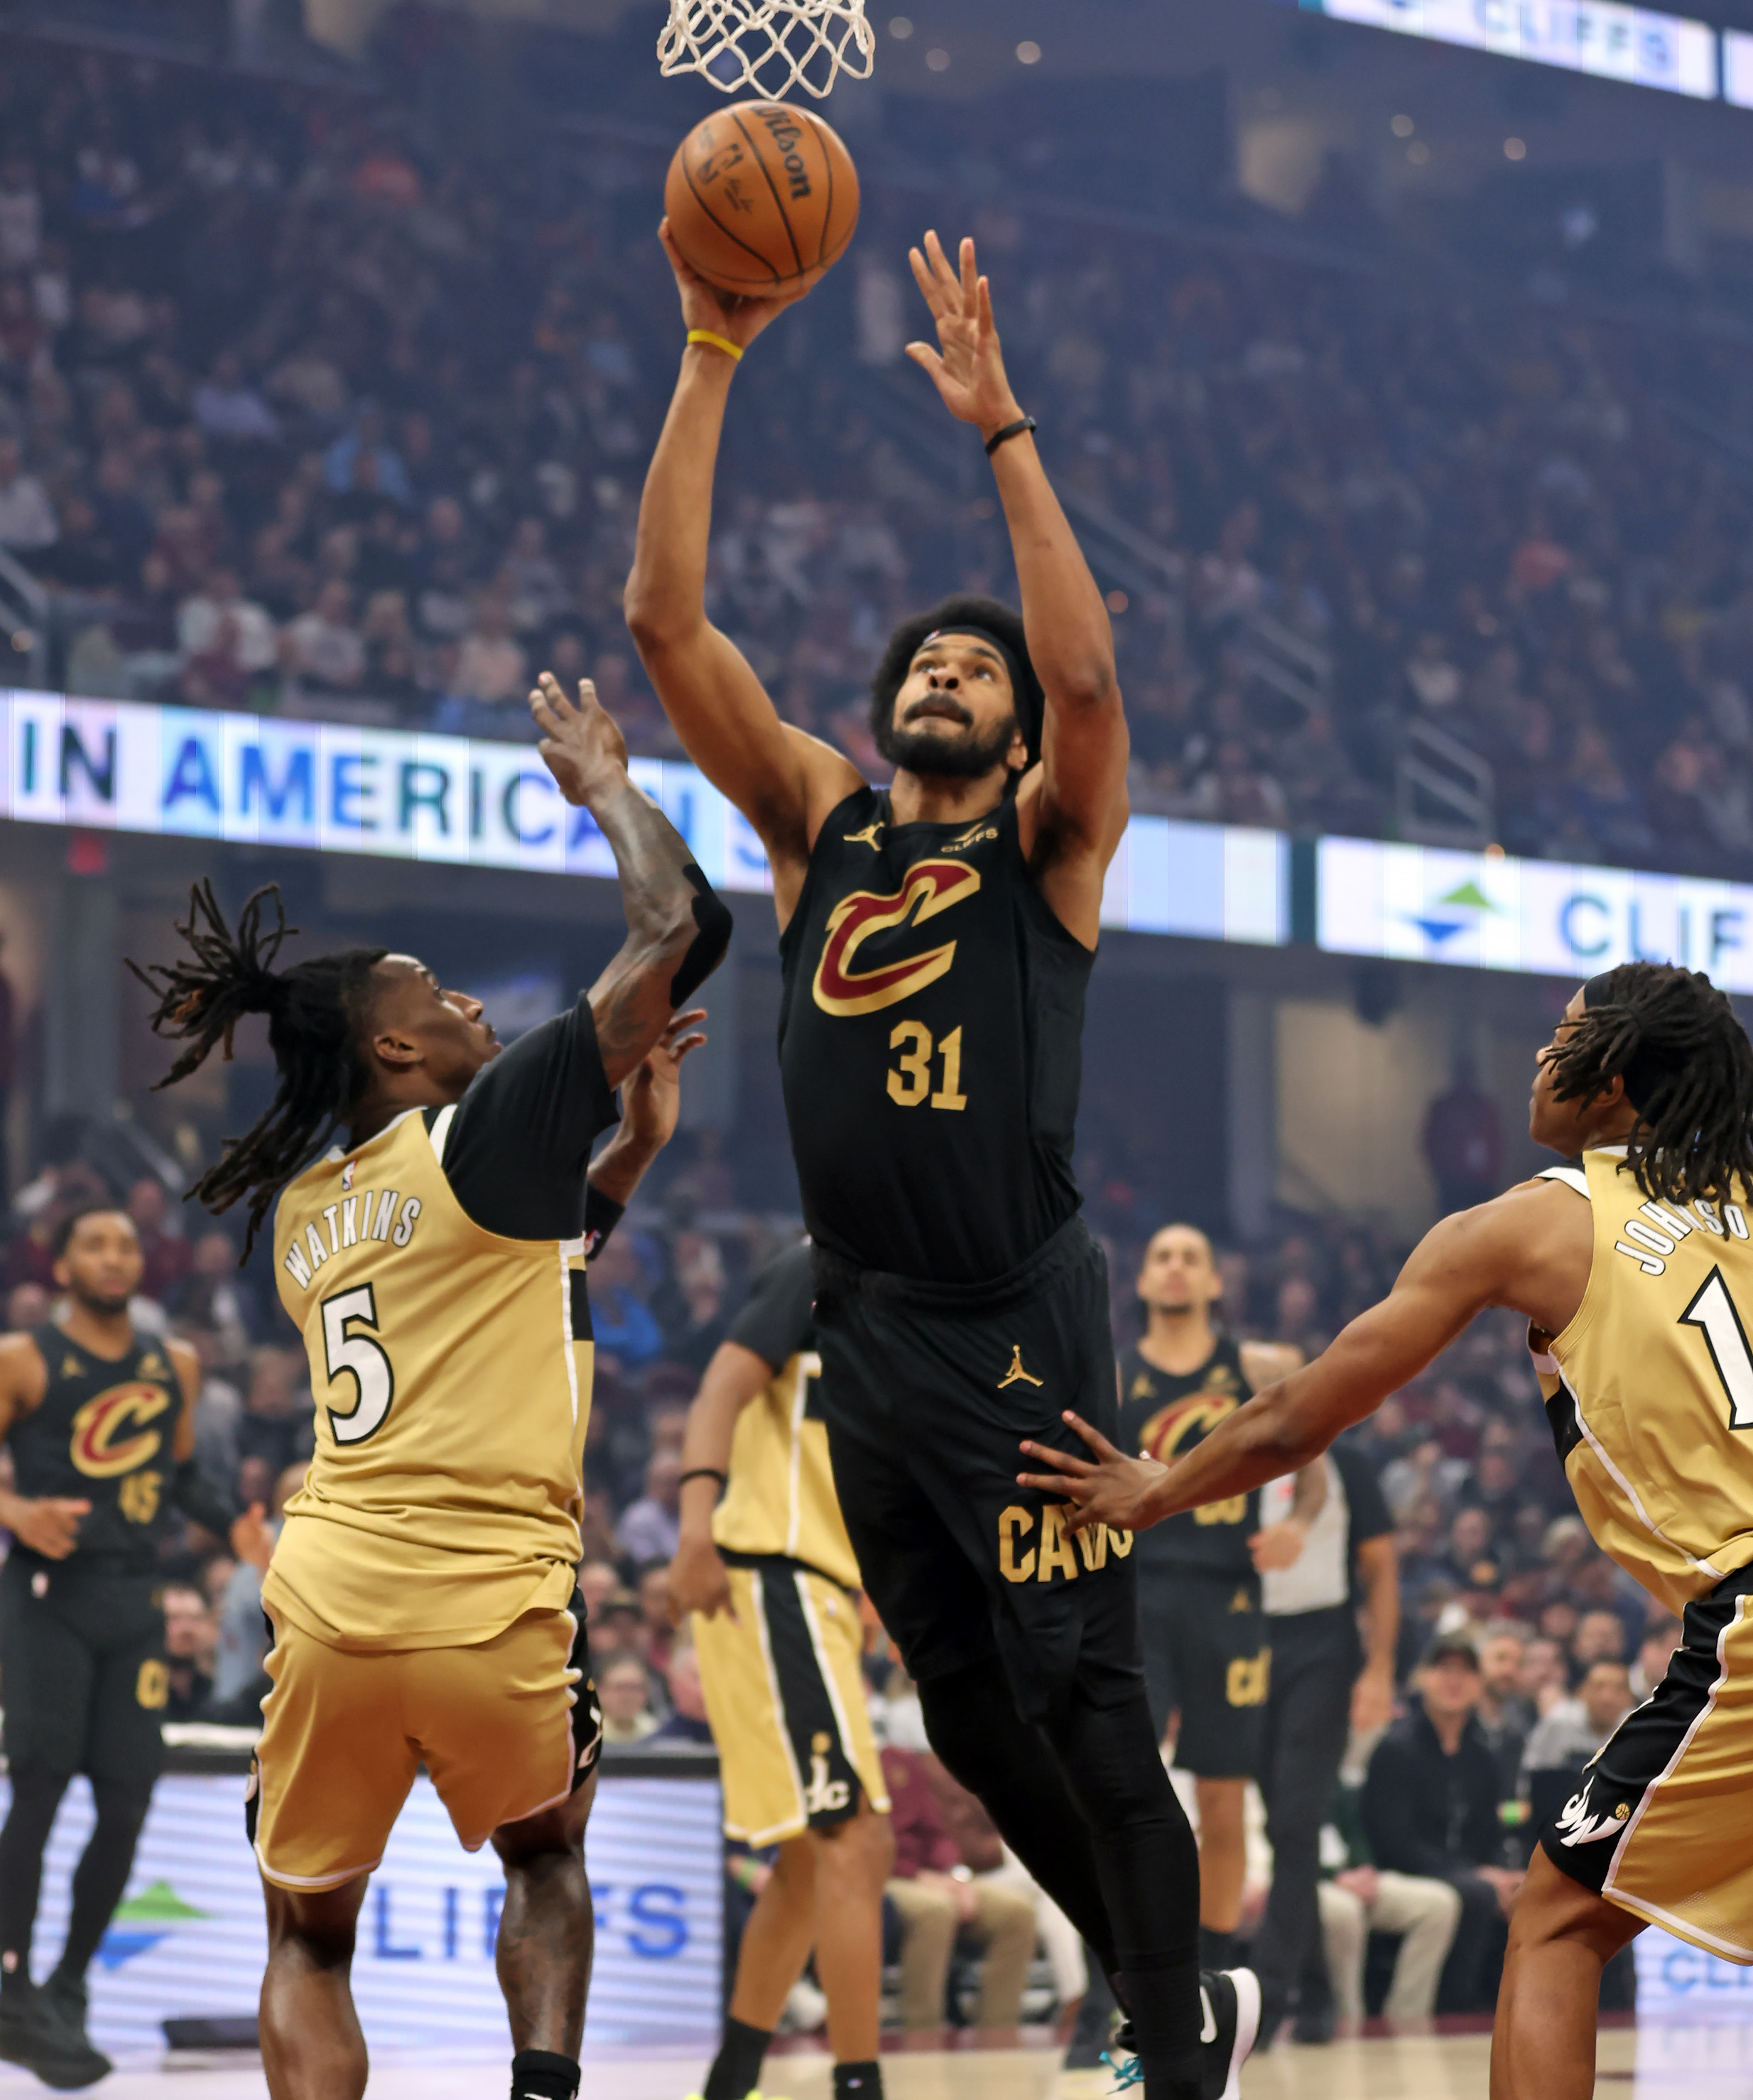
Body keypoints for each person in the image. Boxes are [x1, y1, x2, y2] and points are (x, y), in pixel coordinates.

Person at [628, 220, 1254, 2099]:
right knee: (974, 1725)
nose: (959, 674)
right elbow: (664, 623)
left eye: (983, 671)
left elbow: (1092, 682)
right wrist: (711, 351)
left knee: (1082, 1692)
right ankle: (1168, 1988)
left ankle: (1172, 2043)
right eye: (934, 662)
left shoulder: (1044, 848)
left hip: (1017, 1313)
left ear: (1009, 728)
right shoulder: (817, 821)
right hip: (871, 1330)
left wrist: (1000, 431)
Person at [129, 670, 730, 2100]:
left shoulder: (301, 1214)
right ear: (395, 1048)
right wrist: (606, 784)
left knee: (306, 1932)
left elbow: (512, 1279)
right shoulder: (479, 1127)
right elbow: (680, 928)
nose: (466, 1001)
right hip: (489, 1589)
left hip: (331, 1591)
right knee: (545, 1853)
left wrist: (626, 1158)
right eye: (434, 993)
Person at [1018, 960, 1753, 2097]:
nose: (1538, 1058)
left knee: (1558, 1919)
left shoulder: (1541, 1221)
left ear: (1610, 1079)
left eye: (1562, 1036)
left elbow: (1298, 1415)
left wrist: (1153, 1491)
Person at [0, 1206, 272, 2087]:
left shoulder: (175, 1363)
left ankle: (69, 1984)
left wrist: (236, 1526)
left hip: (135, 1594)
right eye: (94, 1243)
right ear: (61, 1263)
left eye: (124, 1243)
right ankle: (9, 1991)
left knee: (126, 1800)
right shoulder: (23, 1358)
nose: (112, 1255)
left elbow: (181, 1474)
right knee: (39, 1785)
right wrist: (16, 1511)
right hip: (49, 1594)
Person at [668, 1243, 891, 2100]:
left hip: (822, 1588)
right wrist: (695, 1523)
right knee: (853, 1838)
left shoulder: (918, 1295)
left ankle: (728, 2085)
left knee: (808, 1860)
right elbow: (721, 1385)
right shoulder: (823, 1263)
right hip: (771, 1572)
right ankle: (858, 2086)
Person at [1114, 1224, 1323, 1976]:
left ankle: (1210, 1978)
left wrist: (1296, 1525)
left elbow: (1312, 1466)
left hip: (1229, 1595)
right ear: (1142, 1280)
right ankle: (1122, 1978)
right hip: (1137, 1594)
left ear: (1214, 1282)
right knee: (1123, 1795)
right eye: (1161, 1256)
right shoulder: (1112, 1376)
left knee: (1224, 1802)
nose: (1174, 1268)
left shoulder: (1259, 1366)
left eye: (1190, 1258)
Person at [1249, 1439, 1398, 2046]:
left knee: (1296, 1819)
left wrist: (1380, 1668)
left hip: (1323, 1645)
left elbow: (1381, 1568)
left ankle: (1266, 1996)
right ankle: (1313, 1988)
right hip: (1245, 1637)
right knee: (1281, 1827)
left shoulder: (1349, 1462)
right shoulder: (1235, 1450)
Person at [1359, 1637, 1521, 2013]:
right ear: (1422, 1678)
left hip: (1467, 1872)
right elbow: (1395, 1843)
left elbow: (1490, 1833)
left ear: (1479, 1684)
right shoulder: (1395, 1749)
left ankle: (1509, 2013)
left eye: (1465, 1671)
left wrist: (1503, 1872)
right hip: (1405, 1871)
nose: (1454, 1680)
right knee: (1478, 1894)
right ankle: (1455, 2012)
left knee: (1525, 1892)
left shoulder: (1483, 1756)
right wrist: (1475, 1873)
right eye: (1444, 1669)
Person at [880, 1743, 1038, 2033]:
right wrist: (917, 1876)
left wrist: (956, 1876)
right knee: (936, 1912)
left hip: (935, 1874)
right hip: (885, 1877)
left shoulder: (906, 1761)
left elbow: (937, 1832)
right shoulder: (857, 1762)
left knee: (1017, 1913)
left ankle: (998, 2029)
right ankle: (923, 2030)